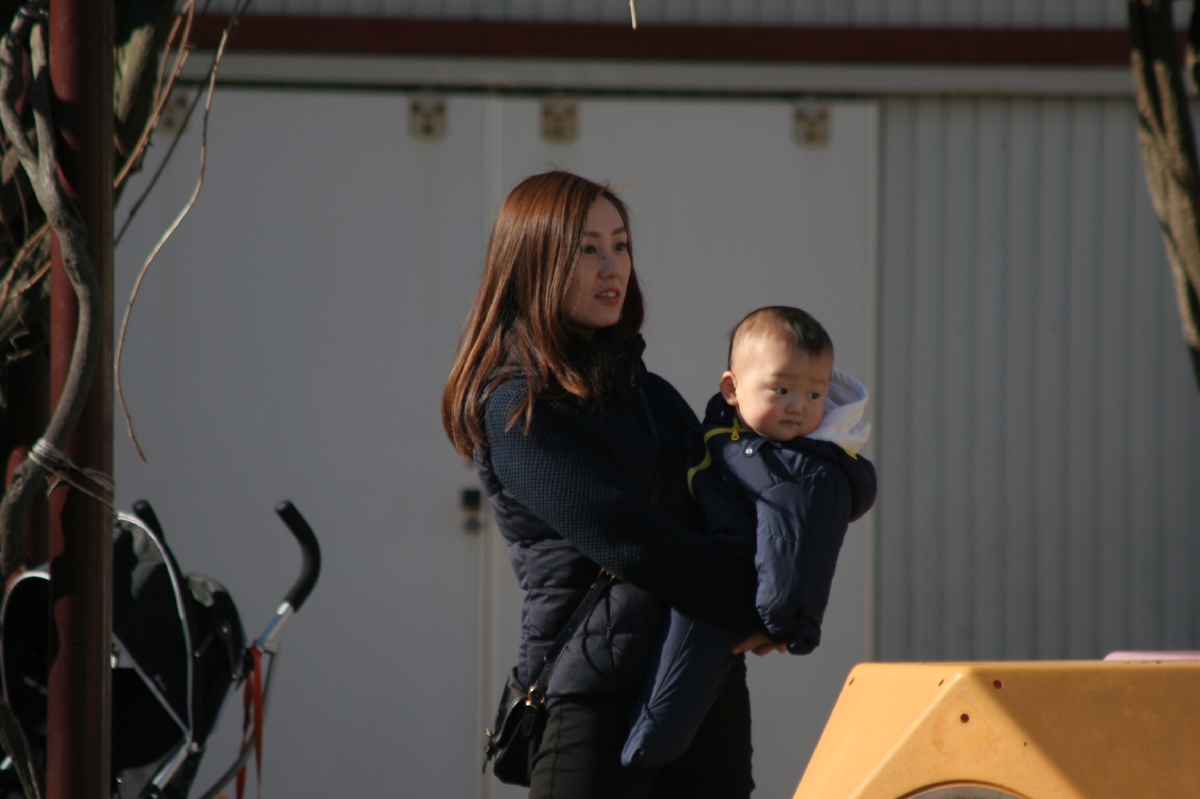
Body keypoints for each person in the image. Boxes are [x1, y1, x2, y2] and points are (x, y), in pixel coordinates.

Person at [442, 171, 773, 799]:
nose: (612, 265)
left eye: (620, 245)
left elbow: (732, 501)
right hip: (595, 689)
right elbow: (626, 538)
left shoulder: (651, 394)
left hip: (700, 679)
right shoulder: (519, 406)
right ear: (533, 264)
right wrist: (763, 606)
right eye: (586, 248)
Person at [621, 306, 878, 770]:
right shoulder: (736, 436)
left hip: (727, 589)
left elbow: (796, 549)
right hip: (698, 574)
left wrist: (783, 622)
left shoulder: (801, 470)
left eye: (815, 393)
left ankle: (641, 755)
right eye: (781, 389)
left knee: (675, 691)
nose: (798, 405)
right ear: (732, 389)